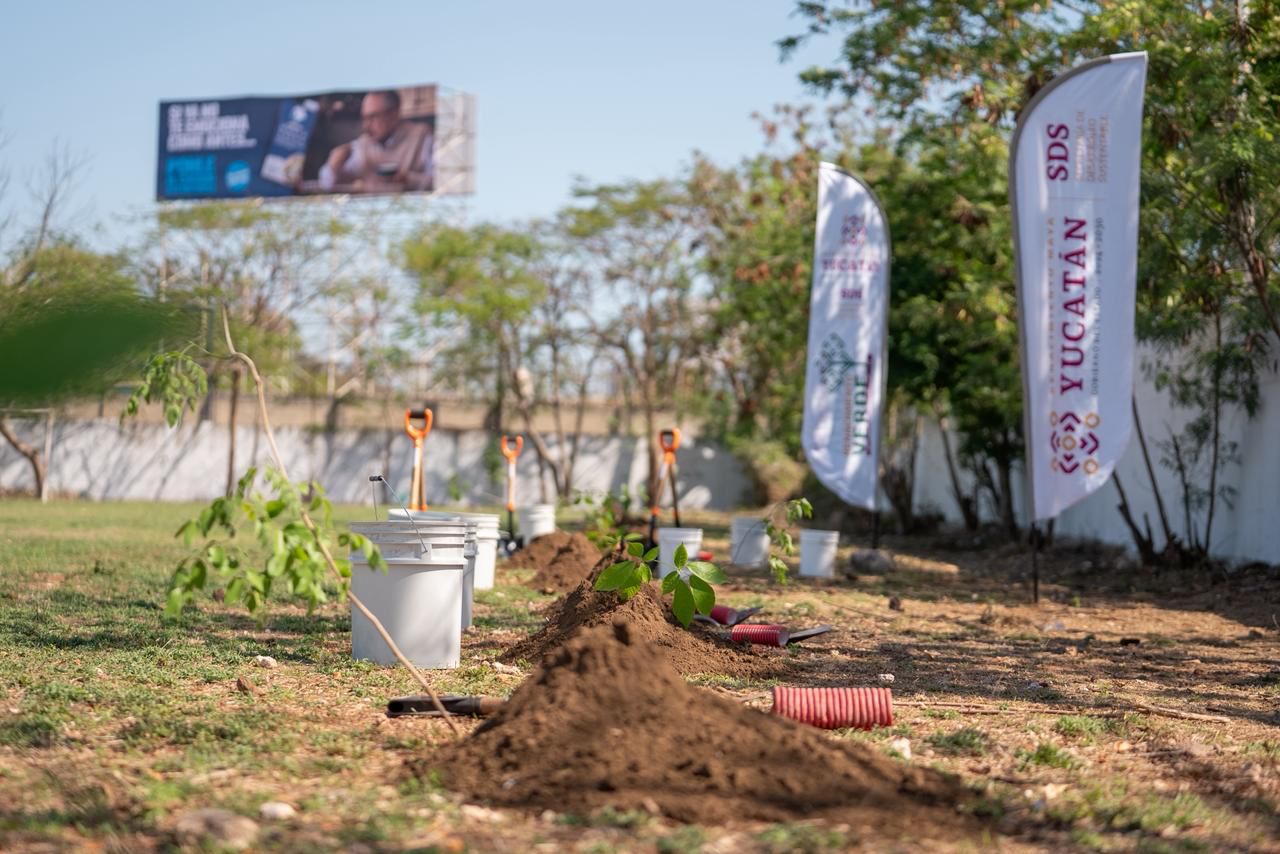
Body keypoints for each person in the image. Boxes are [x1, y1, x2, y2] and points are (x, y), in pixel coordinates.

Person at [318, 90, 433, 192]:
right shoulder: (363, 145)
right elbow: (327, 184)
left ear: (394, 113)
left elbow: (441, 182)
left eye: (373, 117)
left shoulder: (422, 136)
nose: (366, 126)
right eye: (364, 118)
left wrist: (408, 179)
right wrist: (333, 166)